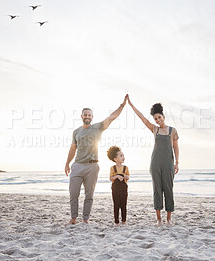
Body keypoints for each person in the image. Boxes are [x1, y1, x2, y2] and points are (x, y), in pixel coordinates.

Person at [64, 95, 128, 225]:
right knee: (73, 194)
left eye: (89, 115)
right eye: (85, 115)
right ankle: (73, 218)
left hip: (92, 167)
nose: (87, 116)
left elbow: (112, 117)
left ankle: (85, 219)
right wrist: (67, 163)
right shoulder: (76, 132)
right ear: (81, 117)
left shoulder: (98, 127)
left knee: (89, 195)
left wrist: (122, 106)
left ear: (92, 117)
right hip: (77, 165)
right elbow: (73, 149)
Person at [127, 96, 179, 226]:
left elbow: (176, 147)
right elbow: (142, 118)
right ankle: (158, 219)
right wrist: (131, 104)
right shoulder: (155, 130)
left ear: (163, 116)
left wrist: (177, 162)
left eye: (159, 117)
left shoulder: (172, 131)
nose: (157, 120)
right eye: (155, 119)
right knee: (157, 190)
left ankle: (168, 218)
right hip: (155, 163)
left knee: (168, 189)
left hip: (168, 163)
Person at [107, 146, 130, 226]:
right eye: (121, 156)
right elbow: (111, 178)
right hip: (115, 189)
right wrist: (116, 176)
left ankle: (124, 221)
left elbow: (128, 177)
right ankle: (116, 221)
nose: (123, 157)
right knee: (116, 205)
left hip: (123, 188)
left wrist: (124, 176)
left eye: (123, 155)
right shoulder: (113, 168)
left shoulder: (125, 168)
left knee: (124, 204)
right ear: (115, 159)